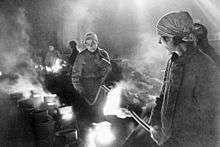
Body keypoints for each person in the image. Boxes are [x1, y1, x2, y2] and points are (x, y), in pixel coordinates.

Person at [146, 11, 220, 147]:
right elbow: (163, 96)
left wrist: (174, 142)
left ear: (173, 38)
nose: (159, 42)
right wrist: (155, 123)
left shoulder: (204, 66)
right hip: (169, 138)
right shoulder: (173, 61)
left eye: (162, 38)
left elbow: (211, 118)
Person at [71, 32, 111, 139]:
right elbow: (75, 76)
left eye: (93, 43)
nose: (90, 46)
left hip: (101, 87)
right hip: (86, 87)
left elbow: (108, 69)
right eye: (87, 44)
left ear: (97, 42)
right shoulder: (81, 56)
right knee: (87, 114)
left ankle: (102, 137)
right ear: (85, 44)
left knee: (101, 111)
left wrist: (101, 63)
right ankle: (88, 138)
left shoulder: (103, 54)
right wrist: (81, 90)